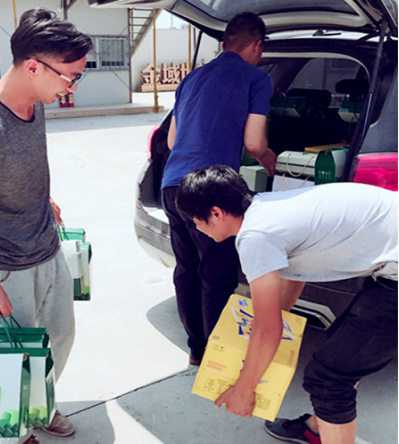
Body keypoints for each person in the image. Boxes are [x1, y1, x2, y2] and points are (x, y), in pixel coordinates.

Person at [176, 165, 398, 444]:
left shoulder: (255, 236)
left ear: (216, 213)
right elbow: (296, 275)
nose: (196, 228)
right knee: (341, 352)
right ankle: (319, 429)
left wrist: (243, 390)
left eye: (195, 220)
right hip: (391, 262)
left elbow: (269, 329)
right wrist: (269, 324)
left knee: (328, 378)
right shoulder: (267, 207)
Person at [0, 8, 93, 444]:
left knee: (60, 338)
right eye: (70, 77)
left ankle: (41, 406)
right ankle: (17, 432)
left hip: (46, 246)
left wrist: (42, 198)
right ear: (33, 67)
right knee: (15, 360)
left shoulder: (35, 102)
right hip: (6, 265)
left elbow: (18, 165)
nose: (72, 87)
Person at [160, 12, 277, 366]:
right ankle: (219, 360)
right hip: (210, 191)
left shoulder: (191, 78)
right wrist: (269, 158)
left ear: (224, 43)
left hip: (172, 185)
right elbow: (254, 143)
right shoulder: (257, 78)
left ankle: (198, 351)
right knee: (217, 275)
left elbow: (172, 140)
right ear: (257, 46)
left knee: (187, 270)